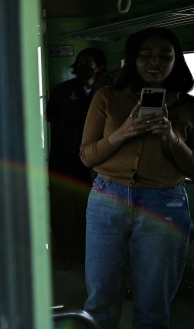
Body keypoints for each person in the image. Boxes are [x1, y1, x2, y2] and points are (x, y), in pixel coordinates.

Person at [80, 27, 194, 328]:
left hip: (165, 204)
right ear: (132, 60)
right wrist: (123, 133)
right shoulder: (106, 98)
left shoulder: (189, 107)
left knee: (154, 305)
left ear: (176, 61)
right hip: (107, 199)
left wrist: (171, 138)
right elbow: (87, 157)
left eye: (165, 56)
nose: (155, 62)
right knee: (100, 300)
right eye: (146, 55)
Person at [46, 47, 107, 269]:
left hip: (91, 164)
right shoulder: (63, 90)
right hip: (62, 160)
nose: (84, 66)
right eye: (80, 62)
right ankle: (62, 254)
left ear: (98, 66)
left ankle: (83, 254)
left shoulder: (105, 93)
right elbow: (51, 115)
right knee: (60, 209)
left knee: (87, 210)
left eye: (89, 62)